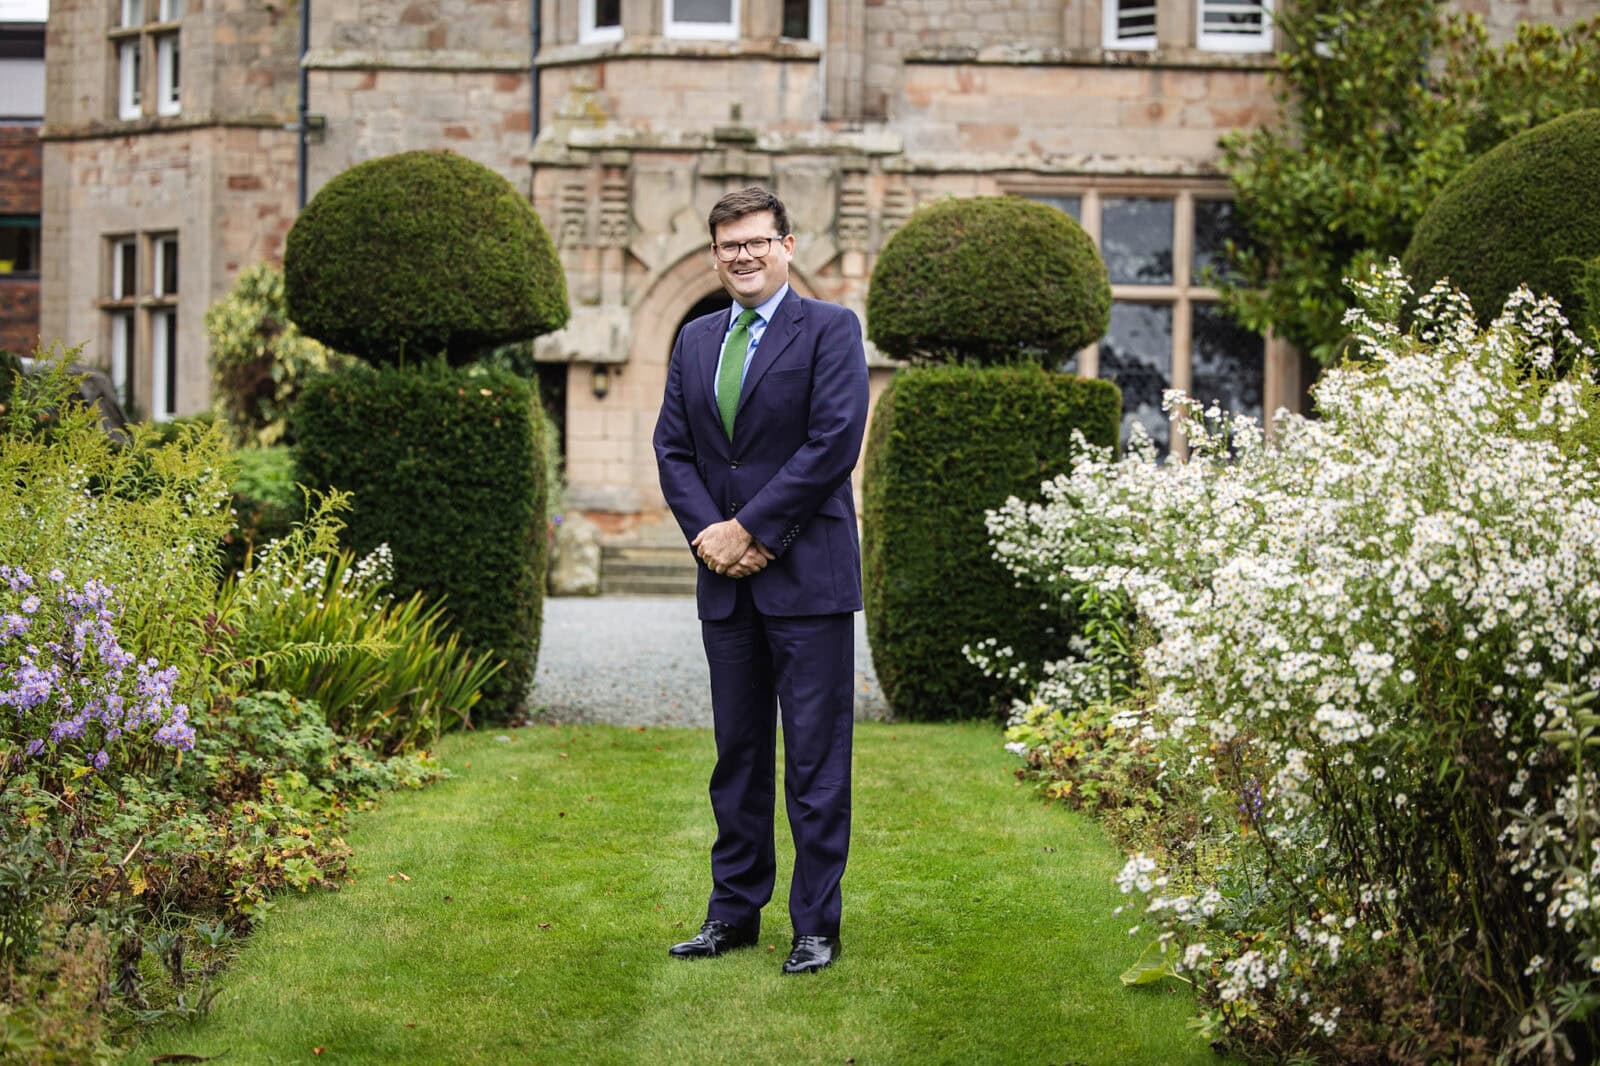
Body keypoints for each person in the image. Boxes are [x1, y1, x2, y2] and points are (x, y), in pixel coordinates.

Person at [652, 186, 870, 975]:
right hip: (727, 582)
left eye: (756, 241)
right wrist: (712, 539)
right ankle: (733, 915)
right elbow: (673, 449)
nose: (742, 255)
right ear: (714, 254)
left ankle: (816, 925)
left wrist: (751, 529)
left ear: (786, 244)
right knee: (736, 758)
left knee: (815, 763)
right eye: (727, 245)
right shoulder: (695, 340)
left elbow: (833, 441)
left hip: (808, 580)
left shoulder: (832, 329)